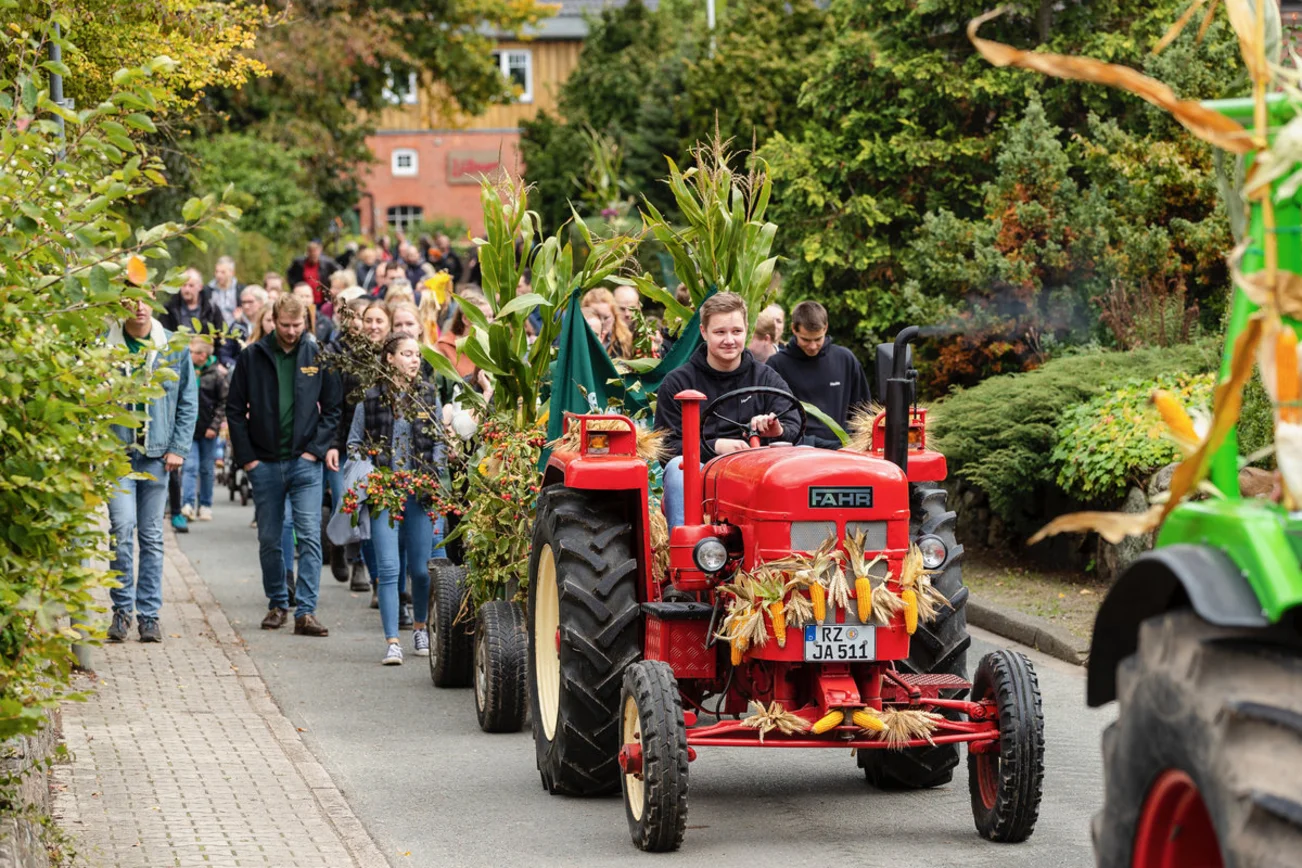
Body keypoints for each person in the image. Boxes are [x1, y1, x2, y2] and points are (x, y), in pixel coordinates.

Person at [226, 294, 342, 636]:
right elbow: (234, 410)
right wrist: (248, 459)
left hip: (304, 462)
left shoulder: (319, 355)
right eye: (285, 325)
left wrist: (315, 450)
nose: (291, 332)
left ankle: (305, 610)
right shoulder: (252, 356)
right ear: (273, 320)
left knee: (309, 536)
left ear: (305, 321)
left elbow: (333, 408)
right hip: (264, 462)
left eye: (297, 325)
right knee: (271, 538)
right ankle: (278, 603)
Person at [333, 334, 446, 664]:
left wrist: (433, 472)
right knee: (388, 568)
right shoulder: (368, 400)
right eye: (407, 354)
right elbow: (353, 445)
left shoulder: (428, 396)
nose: (414, 360)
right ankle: (392, 640)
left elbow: (439, 440)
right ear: (389, 358)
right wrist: (369, 471)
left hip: (419, 491)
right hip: (384, 493)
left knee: (422, 571)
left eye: (416, 355)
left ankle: (421, 627)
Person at [654, 292, 802, 529]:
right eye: (720, 332)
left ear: (747, 330)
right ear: (703, 332)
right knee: (677, 469)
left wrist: (777, 430)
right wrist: (715, 447)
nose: (729, 340)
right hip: (705, 474)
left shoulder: (766, 378)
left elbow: (795, 428)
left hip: (760, 473)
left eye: (736, 331)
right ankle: (687, 555)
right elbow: (666, 448)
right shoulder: (678, 383)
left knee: (805, 457)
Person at [105, 295, 198, 643]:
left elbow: (188, 400)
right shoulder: (107, 346)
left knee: (151, 536)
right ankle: (121, 610)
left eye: (145, 300)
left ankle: (149, 615)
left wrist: (178, 447)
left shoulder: (172, 346)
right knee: (121, 528)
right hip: (118, 455)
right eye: (130, 301)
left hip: (157, 455)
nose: (139, 307)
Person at [767, 300, 871, 450]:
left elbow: (863, 412)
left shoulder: (845, 359)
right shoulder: (776, 365)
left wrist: (853, 442)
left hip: (843, 450)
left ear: (826, 328)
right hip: (798, 451)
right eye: (806, 340)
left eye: (818, 339)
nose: (813, 346)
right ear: (794, 329)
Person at [180, 336, 228, 522]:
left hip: (208, 429)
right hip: (189, 429)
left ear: (202, 355)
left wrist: (214, 426)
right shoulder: (186, 370)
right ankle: (188, 503)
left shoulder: (216, 375)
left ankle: (206, 504)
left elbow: (223, 402)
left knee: (207, 469)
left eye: (192, 353)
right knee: (190, 466)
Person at [582, 287, 633, 358]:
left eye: (606, 318)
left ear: (614, 315)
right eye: (597, 317)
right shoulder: (577, 340)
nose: (601, 322)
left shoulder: (625, 341)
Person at [287, 240, 340, 306]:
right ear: (308, 252)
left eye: (315, 252)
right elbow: (289, 274)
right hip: (304, 299)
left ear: (320, 252)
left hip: (322, 300)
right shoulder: (299, 263)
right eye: (311, 252)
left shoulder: (327, 263)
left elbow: (340, 271)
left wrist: (333, 286)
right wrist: (295, 286)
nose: (313, 254)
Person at [203, 256, 243, 326]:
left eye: (223, 272)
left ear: (232, 273)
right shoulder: (207, 290)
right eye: (216, 271)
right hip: (213, 331)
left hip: (235, 330)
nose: (218, 275)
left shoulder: (241, 290)